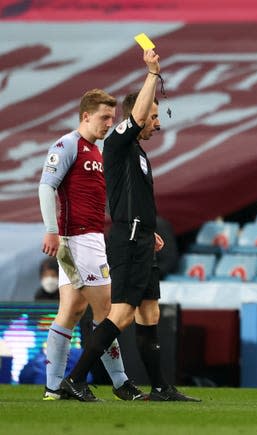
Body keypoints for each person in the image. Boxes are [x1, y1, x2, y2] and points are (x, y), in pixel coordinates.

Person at [60, 49, 199, 402]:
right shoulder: (119, 142)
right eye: (153, 116)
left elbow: (131, 196)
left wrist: (149, 228)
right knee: (120, 314)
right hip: (128, 239)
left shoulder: (136, 152)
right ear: (135, 117)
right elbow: (136, 116)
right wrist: (152, 74)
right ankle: (74, 379)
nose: (157, 122)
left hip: (139, 235)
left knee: (149, 312)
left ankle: (161, 387)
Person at [38, 88, 145, 401]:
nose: (108, 123)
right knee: (107, 310)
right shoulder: (68, 144)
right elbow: (46, 187)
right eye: (103, 117)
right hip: (78, 239)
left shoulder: (95, 151)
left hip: (84, 239)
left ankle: (54, 388)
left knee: (71, 310)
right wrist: (51, 230)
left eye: (112, 118)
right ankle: (120, 382)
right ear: (85, 116)